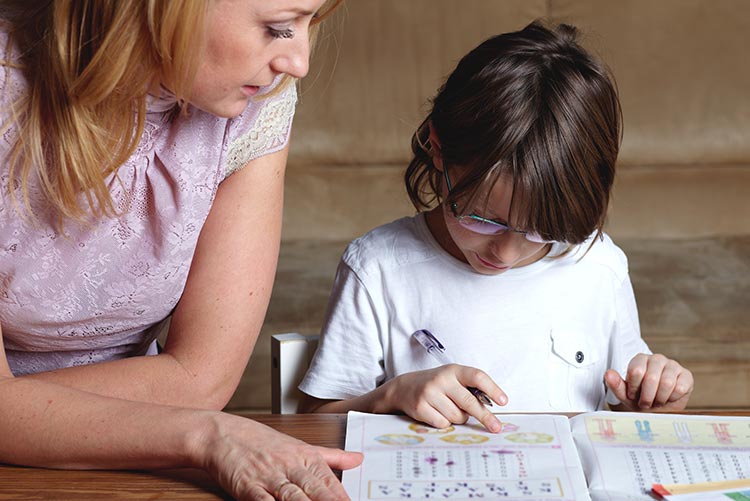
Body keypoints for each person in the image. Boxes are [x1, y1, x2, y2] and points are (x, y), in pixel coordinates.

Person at [0, 1, 361, 499]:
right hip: (157, 433)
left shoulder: (259, 102)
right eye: (277, 28)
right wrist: (208, 434)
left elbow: (200, 381)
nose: (297, 62)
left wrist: (20, 411)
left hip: (133, 455)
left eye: (309, 24)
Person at [298, 22, 694, 433]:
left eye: (542, 229)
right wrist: (390, 396)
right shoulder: (378, 268)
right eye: (482, 218)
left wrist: (654, 399)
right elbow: (313, 422)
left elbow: (629, 408)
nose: (504, 253)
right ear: (438, 147)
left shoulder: (600, 266)